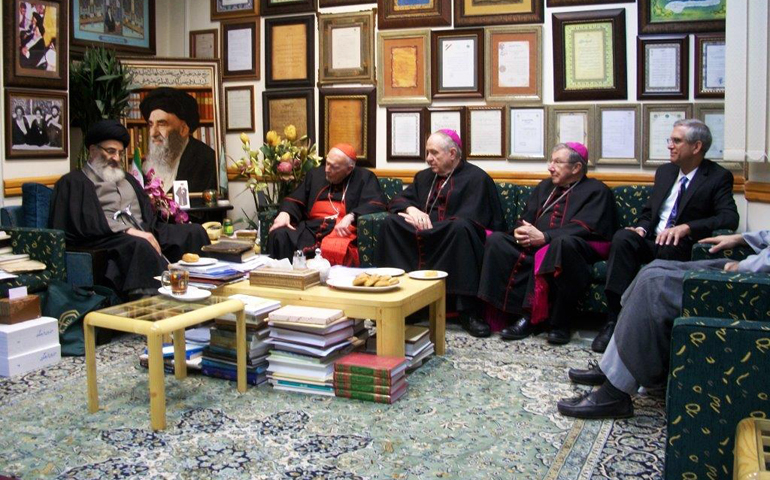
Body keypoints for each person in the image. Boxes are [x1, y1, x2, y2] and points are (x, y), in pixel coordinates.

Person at [557, 231, 769, 419]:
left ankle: (614, 394)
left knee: (654, 284)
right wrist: (742, 238)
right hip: (748, 265)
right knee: (651, 270)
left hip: (753, 282)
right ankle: (612, 366)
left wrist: (743, 266)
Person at [592, 119, 739, 353]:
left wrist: (687, 227)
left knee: (672, 243)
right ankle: (613, 321)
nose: (670, 146)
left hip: (681, 246)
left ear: (696, 146)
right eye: (670, 140)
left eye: (677, 141)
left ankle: (653, 331)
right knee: (622, 238)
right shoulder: (665, 171)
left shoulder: (717, 177)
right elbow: (650, 212)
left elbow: (729, 218)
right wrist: (640, 228)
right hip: (652, 240)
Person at [49, 120, 210, 299]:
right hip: (107, 238)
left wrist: (146, 229)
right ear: (93, 150)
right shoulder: (74, 182)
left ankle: (204, 290)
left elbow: (148, 217)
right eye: (110, 151)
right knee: (140, 245)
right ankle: (158, 306)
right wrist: (129, 231)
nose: (117, 158)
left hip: (145, 230)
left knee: (194, 231)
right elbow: (83, 223)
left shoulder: (127, 179)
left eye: (120, 153)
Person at [475, 143, 616, 342]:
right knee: (498, 240)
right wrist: (520, 231)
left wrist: (546, 237)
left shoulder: (597, 190)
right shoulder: (544, 187)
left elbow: (586, 228)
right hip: (535, 242)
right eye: (551, 161)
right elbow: (526, 218)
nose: (550, 167)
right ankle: (504, 314)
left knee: (561, 245)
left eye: (557, 162)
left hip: (568, 249)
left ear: (576, 168)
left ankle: (544, 321)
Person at [376, 129, 505, 335]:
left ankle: (467, 311)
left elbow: (475, 218)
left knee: (460, 229)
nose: (428, 159)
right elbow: (398, 200)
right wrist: (413, 210)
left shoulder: (477, 178)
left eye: (434, 153)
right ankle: (400, 301)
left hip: (453, 237)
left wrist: (433, 226)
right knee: (391, 223)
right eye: (427, 153)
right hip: (426, 233)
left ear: (452, 153)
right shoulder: (424, 177)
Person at [267, 143, 387, 266]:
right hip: (310, 228)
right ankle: (280, 280)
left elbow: (377, 204)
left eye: (333, 167)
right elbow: (296, 198)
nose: (326, 170)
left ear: (349, 169)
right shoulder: (315, 175)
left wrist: (351, 216)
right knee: (279, 234)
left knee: (336, 249)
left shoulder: (365, 178)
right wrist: (285, 213)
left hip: (339, 228)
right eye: (327, 163)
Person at [140, 87, 217, 196]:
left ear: (183, 129)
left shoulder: (205, 160)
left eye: (162, 124)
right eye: (151, 124)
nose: (153, 133)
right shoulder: (147, 165)